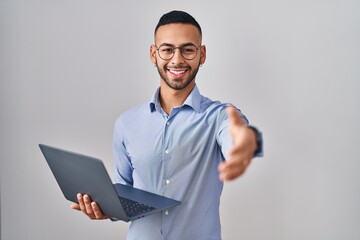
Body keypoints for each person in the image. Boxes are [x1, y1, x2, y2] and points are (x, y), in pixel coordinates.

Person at [71, 10, 263, 240]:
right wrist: (105, 208)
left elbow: (237, 135)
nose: (177, 59)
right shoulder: (126, 123)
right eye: (167, 49)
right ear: (153, 54)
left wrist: (246, 142)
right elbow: (123, 191)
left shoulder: (219, 116)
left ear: (202, 54)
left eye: (188, 50)